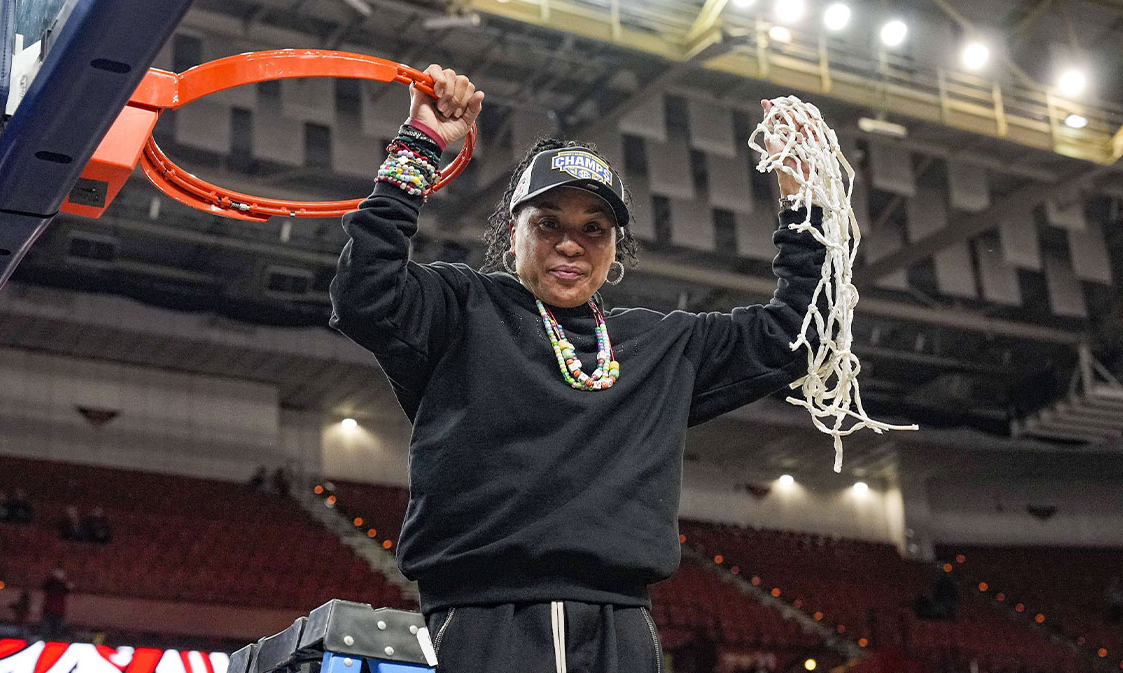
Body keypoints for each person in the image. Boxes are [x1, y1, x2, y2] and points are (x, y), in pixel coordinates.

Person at [328, 64, 824, 673]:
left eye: (594, 228)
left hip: (623, 632)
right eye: (550, 224)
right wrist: (420, 143)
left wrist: (803, 199)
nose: (571, 244)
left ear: (616, 247)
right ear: (514, 233)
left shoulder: (663, 345)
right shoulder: (460, 309)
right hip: (485, 622)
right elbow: (365, 294)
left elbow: (800, 331)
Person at [39, 567, 73, 638]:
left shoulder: (60, 585)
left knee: (53, 631)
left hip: (55, 611)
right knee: (51, 631)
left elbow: (70, 589)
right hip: (52, 610)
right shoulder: (51, 584)